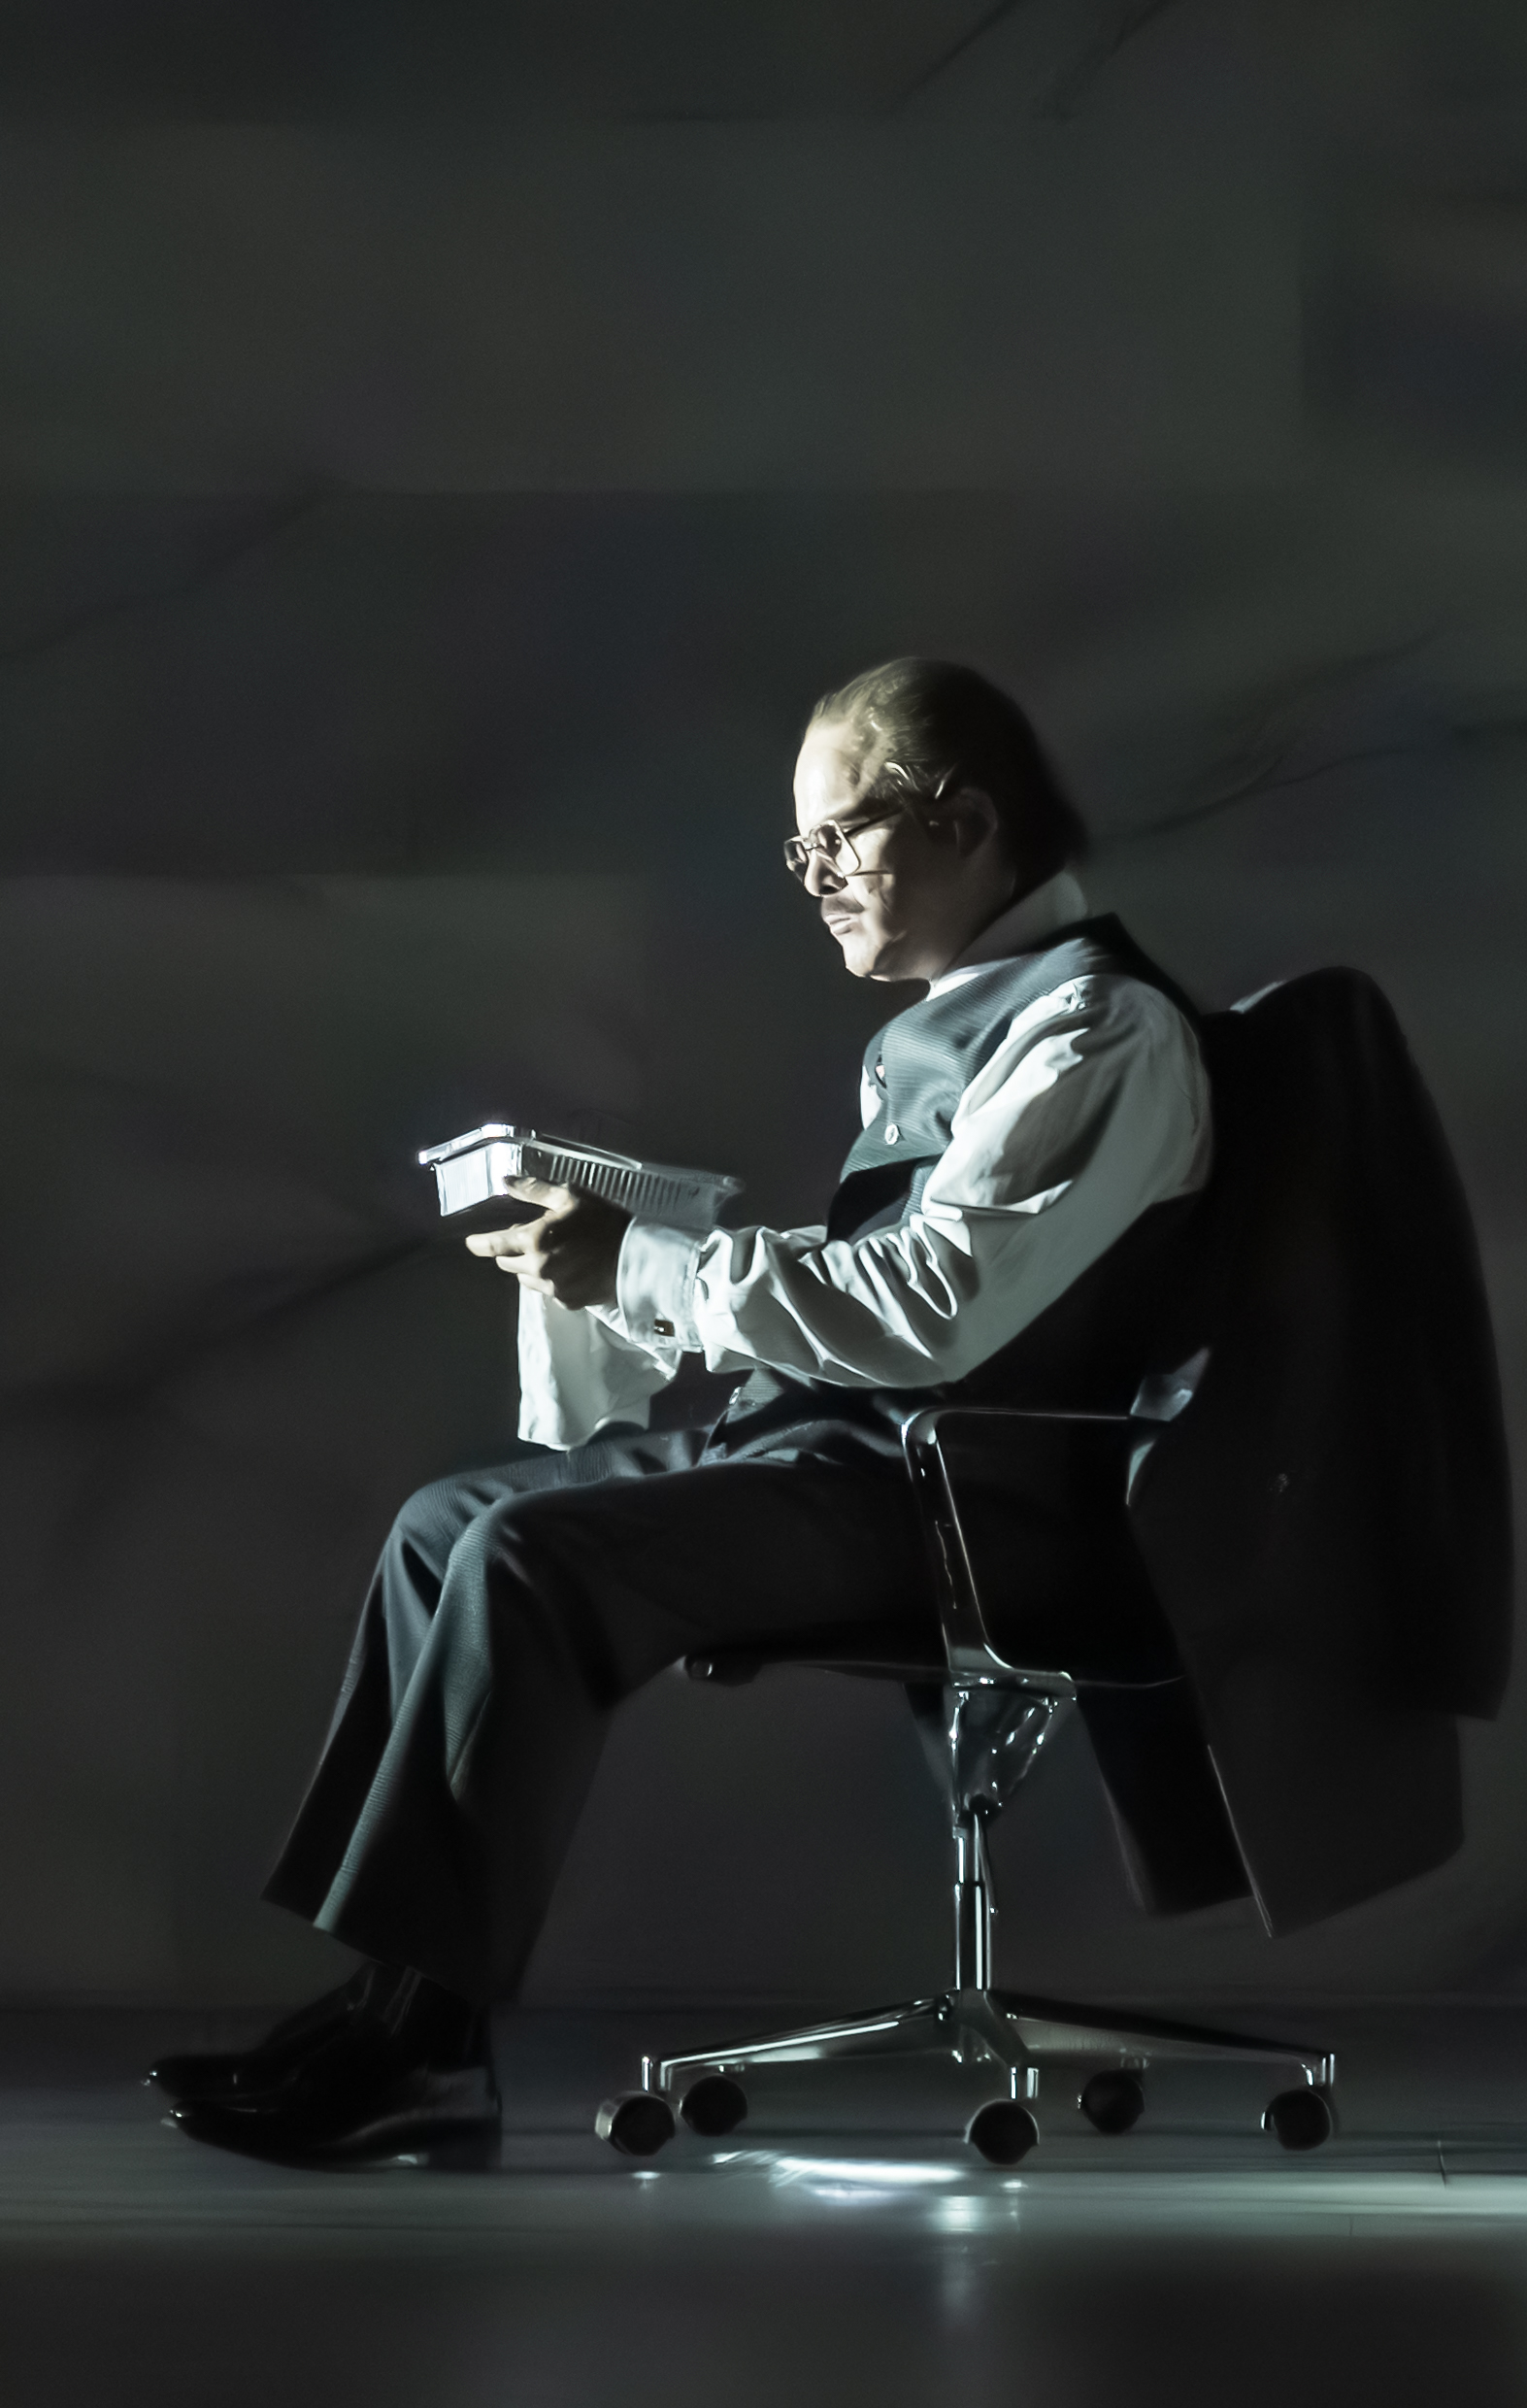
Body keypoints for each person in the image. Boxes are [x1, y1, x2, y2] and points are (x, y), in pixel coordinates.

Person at [162, 659, 1214, 2165]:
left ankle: (424, 2044)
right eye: (799, 853)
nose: (815, 880)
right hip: (866, 1458)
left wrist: (646, 1262)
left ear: (961, 819)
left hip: (967, 1501)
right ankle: (394, 2000)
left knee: (530, 1560)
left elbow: (932, 1305)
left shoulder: (1099, 1034)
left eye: (836, 839)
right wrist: (618, 1261)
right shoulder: (967, 1024)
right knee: (442, 1522)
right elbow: (890, 1290)